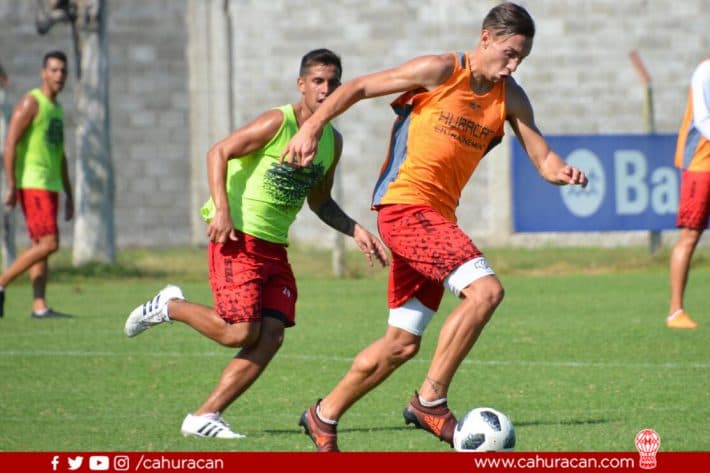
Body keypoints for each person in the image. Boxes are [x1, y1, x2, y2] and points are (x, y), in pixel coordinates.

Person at [281, 2, 588, 451]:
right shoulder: (441, 70)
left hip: (434, 219)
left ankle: (323, 415)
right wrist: (312, 128)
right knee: (485, 291)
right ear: (485, 39)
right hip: (406, 209)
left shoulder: (511, 97)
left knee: (401, 344)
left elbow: (542, 156)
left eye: (521, 56)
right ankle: (431, 401)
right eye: (508, 52)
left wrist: (562, 170)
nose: (514, 63)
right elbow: (363, 86)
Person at [123, 49, 388, 439]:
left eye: (333, 83)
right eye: (318, 81)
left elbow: (319, 201)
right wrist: (222, 210)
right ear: (302, 85)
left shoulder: (333, 142)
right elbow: (218, 152)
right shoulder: (277, 122)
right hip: (238, 236)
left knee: (272, 334)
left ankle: (205, 416)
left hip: (274, 247)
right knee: (238, 332)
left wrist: (356, 230)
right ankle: (170, 306)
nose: (325, 89)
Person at [0, 50, 73, 319]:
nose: (59, 75)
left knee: (40, 246)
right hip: (33, 183)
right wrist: (10, 184)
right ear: (43, 73)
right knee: (50, 243)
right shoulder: (32, 102)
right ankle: (2, 281)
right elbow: (9, 144)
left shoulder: (57, 108)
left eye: (63, 71)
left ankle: (39, 305)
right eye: (54, 70)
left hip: (50, 185)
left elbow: (61, 154)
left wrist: (70, 193)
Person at [666, 59, 710, 330]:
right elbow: (702, 118)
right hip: (701, 162)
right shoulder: (706, 71)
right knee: (690, 235)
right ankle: (675, 311)